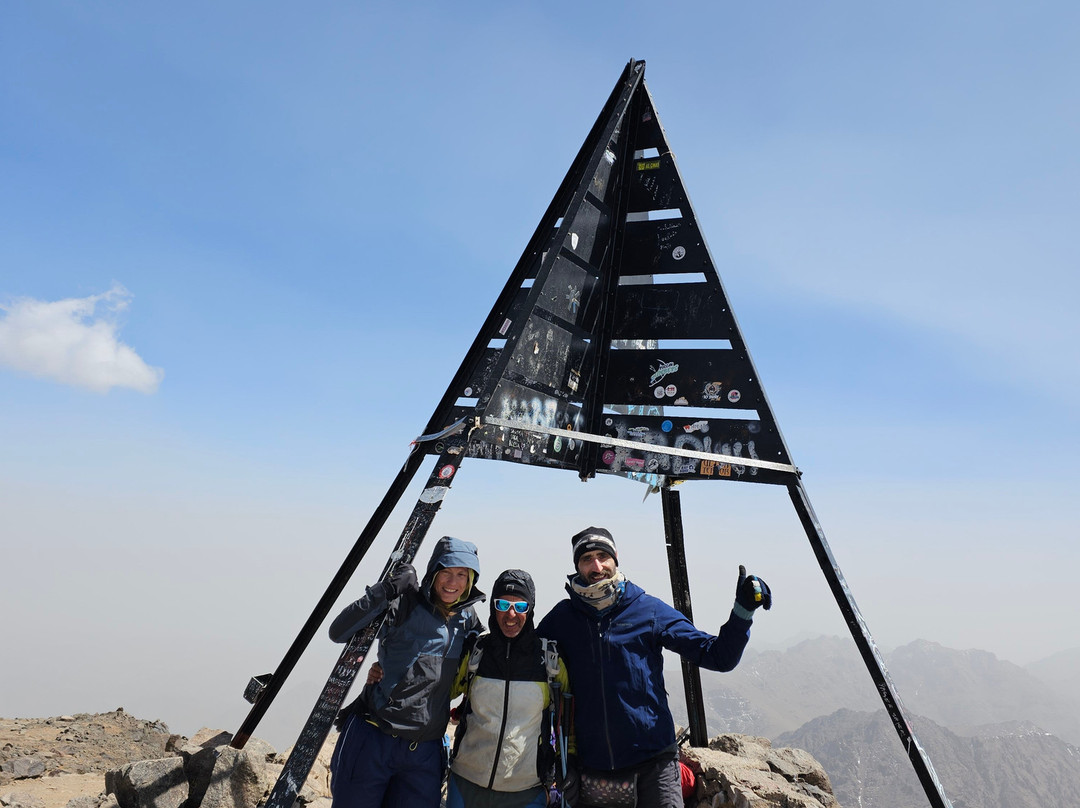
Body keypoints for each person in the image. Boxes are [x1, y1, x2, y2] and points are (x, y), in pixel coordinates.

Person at [537, 526, 772, 808]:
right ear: (577, 566)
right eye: (587, 559)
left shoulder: (647, 610)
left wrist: (742, 612)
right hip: (591, 768)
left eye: (602, 556)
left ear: (615, 558)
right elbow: (525, 661)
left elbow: (718, 657)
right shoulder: (562, 619)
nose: (596, 566)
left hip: (654, 766)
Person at [328, 536, 485, 808]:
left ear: (471, 579)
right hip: (374, 738)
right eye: (446, 572)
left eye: (462, 574)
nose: (453, 582)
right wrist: (387, 589)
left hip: (423, 753)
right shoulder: (405, 604)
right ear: (433, 571)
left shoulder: (467, 619)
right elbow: (339, 631)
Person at [446, 569, 572, 808]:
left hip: (525, 792)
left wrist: (566, 770)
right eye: (503, 604)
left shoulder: (549, 660)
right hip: (465, 784)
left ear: (530, 609)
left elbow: (570, 722)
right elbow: (438, 692)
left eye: (520, 606)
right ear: (493, 606)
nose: (511, 614)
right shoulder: (476, 652)